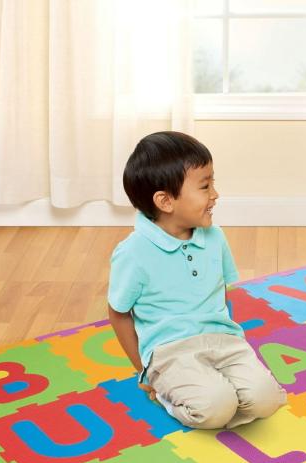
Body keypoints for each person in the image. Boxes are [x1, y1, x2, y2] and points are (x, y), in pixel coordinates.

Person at [108, 131, 286, 429]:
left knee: (267, 401)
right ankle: (173, 394)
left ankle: (217, 393)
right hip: (171, 351)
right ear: (165, 201)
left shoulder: (214, 237)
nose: (215, 194)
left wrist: (229, 336)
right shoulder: (133, 253)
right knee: (215, 410)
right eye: (205, 186)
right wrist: (144, 370)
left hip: (224, 341)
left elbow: (221, 294)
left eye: (213, 183)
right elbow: (118, 313)